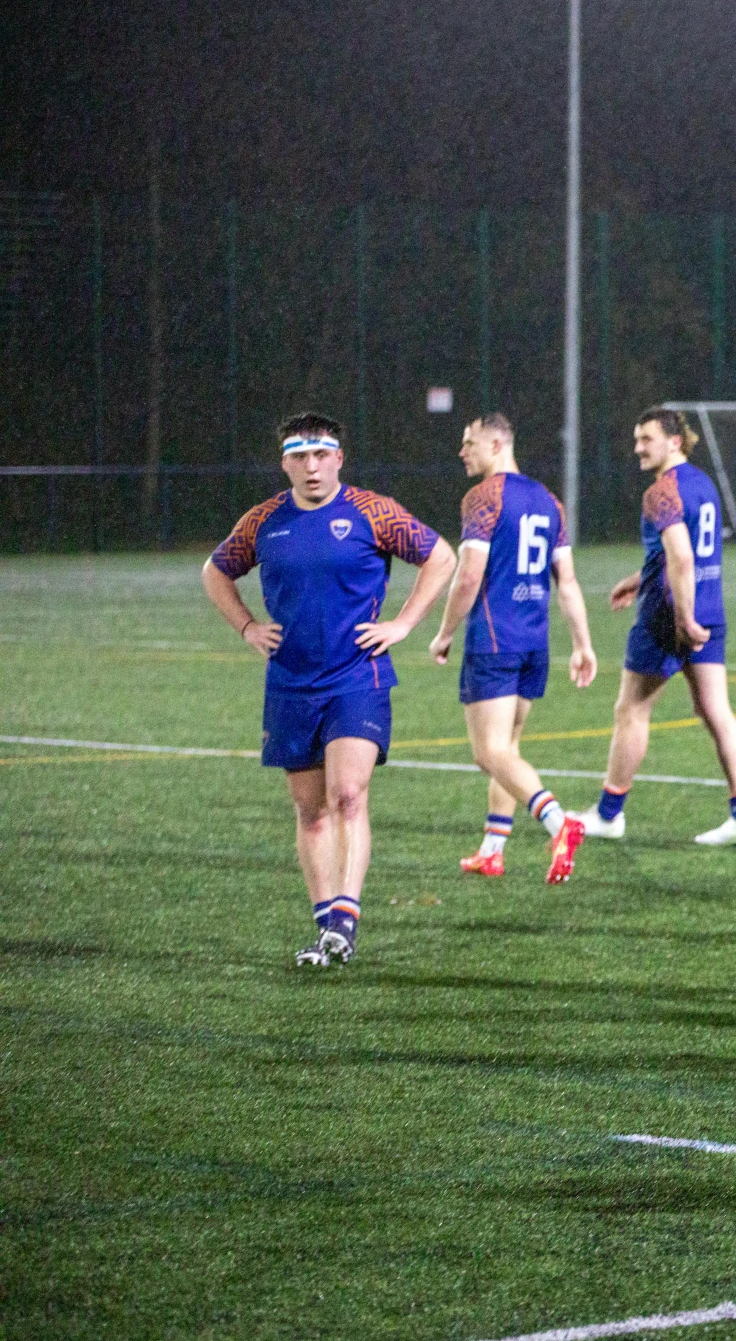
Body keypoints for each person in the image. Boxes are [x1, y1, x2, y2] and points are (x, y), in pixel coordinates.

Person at [200, 412, 455, 966]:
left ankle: (345, 919)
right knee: (310, 810)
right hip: (290, 681)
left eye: (322, 455)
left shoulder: (373, 511)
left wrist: (404, 624)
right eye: (300, 456)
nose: (311, 466)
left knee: (348, 796)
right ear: (285, 461)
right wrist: (246, 626)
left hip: (356, 677)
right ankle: (326, 927)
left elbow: (440, 555)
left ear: (339, 458)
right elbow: (215, 572)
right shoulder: (264, 520)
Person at [424, 413, 597, 883]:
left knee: (488, 753)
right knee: (509, 747)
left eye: (469, 441)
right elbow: (568, 583)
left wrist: (444, 634)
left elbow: (468, 577)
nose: (462, 450)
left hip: (495, 641)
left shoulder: (483, 497)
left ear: (498, 443)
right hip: (533, 643)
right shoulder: (548, 501)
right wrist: (582, 644)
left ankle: (560, 822)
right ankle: (493, 848)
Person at [582, 407, 736, 847]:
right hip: (710, 612)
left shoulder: (661, 492)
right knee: (715, 710)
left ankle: (608, 814)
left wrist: (681, 617)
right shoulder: (703, 485)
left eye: (646, 439)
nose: (637, 448)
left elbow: (681, 557)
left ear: (674, 442)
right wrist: (639, 579)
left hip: (668, 619)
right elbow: (683, 558)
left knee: (632, 711)